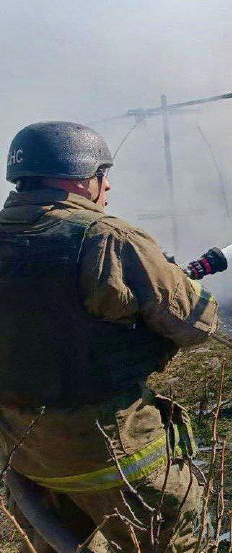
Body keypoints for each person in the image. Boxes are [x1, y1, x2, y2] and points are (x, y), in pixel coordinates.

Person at [0, 122, 219, 551]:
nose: (108, 186)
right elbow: (195, 326)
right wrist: (180, 283)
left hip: (25, 453)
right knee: (172, 539)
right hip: (114, 453)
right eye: (104, 174)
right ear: (82, 179)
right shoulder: (109, 239)